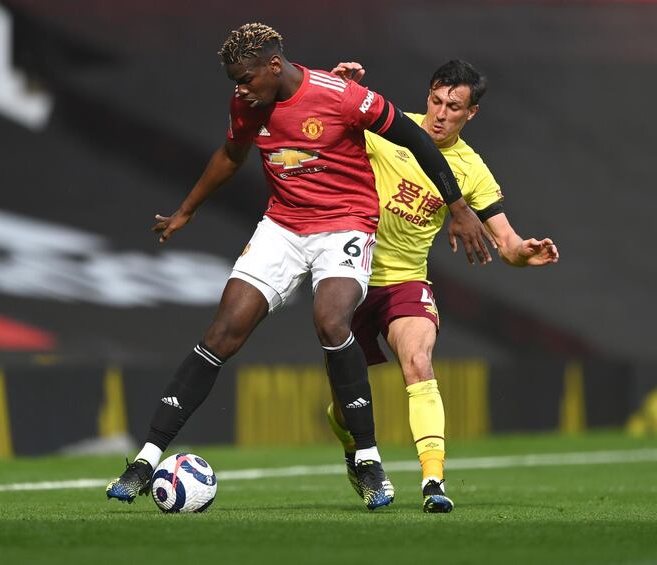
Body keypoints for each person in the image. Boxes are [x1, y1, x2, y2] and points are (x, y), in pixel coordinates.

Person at [106, 23, 492, 510]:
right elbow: (231, 154)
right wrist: (187, 209)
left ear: (274, 66)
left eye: (245, 78)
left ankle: (369, 461)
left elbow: (415, 137)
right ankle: (145, 459)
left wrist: (457, 206)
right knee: (223, 331)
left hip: (346, 223)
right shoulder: (248, 104)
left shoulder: (340, 96)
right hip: (284, 225)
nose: (239, 89)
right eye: (233, 81)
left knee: (331, 321)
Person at [324, 59, 559, 513]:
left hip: (405, 282)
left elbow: (506, 243)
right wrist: (340, 89)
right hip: (347, 277)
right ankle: (354, 451)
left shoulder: (471, 170)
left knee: (418, 361)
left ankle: (433, 483)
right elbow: (329, 127)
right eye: (436, 100)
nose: (440, 113)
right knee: (343, 406)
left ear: (471, 114)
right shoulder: (388, 129)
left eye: (453, 106)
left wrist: (524, 254)